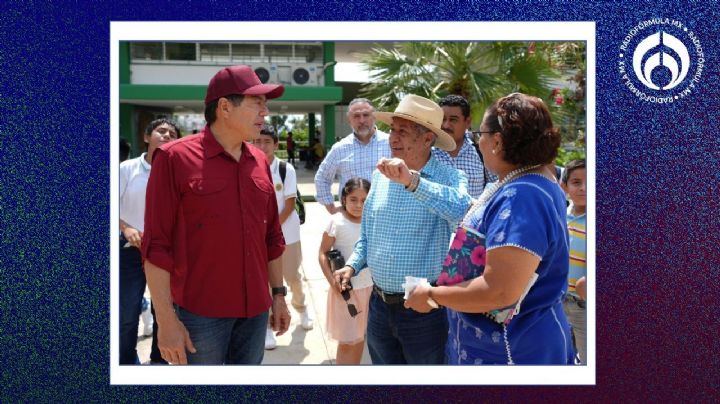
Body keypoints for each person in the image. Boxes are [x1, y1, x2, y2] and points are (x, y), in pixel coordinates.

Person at [405, 92, 575, 365]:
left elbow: (499, 291)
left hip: (514, 351)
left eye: (479, 133)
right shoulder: (525, 180)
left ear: (496, 141)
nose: (477, 141)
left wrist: (432, 296)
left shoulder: (523, 196)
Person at [142, 65, 290, 365]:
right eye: (256, 103)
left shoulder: (260, 161)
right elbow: (156, 246)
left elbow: (272, 237)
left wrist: (278, 295)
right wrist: (167, 321)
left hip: (255, 313)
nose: (265, 112)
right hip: (201, 315)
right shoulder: (174, 159)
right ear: (224, 107)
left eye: (266, 104)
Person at [334, 94, 472, 365]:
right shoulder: (379, 176)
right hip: (379, 307)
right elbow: (367, 238)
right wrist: (351, 266)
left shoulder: (449, 177)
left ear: (427, 139)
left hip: (424, 310)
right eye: (393, 130)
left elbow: (461, 209)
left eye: (403, 132)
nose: (392, 138)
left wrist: (412, 182)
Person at [119, 118, 180, 364]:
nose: (166, 136)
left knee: (164, 311)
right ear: (146, 137)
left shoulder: (179, 171)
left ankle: (159, 361)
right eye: (160, 131)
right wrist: (126, 228)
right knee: (126, 312)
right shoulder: (126, 169)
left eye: (172, 134)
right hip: (130, 252)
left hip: (166, 254)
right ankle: (125, 362)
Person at [252, 124, 313, 351]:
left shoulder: (286, 169)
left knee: (292, 277)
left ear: (276, 145)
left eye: (266, 142)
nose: (261, 146)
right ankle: (269, 325)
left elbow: (288, 205)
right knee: (266, 282)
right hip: (258, 238)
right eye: (257, 141)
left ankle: (301, 307)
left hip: (286, 235)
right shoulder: (247, 167)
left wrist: (269, 229)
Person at [318, 178, 373, 364]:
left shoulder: (373, 221)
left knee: (360, 338)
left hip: (370, 289)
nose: (359, 205)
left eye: (364, 200)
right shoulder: (336, 222)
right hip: (346, 292)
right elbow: (322, 253)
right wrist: (332, 282)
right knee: (348, 341)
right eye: (353, 199)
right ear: (343, 199)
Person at [314, 98, 390, 215]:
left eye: (366, 115)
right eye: (356, 116)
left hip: (385, 215)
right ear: (349, 120)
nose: (362, 120)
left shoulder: (391, 144)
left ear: (374, 117)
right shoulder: (339, 148)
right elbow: (322, 178)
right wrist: (332, 208)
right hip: (351, 219)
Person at [433, 94, 490, 198]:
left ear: (468, 122)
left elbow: (494, 188)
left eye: (453, 120)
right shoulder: (426, 151)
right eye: (443, 119)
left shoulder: (481, 151)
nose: (446, 125)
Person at [561, 159, 587, 364]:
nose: (584, 188)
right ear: (565, 186)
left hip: (583, 307)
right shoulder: (560, 216)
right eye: (576, 182)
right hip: (556, 302)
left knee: (588, 361)